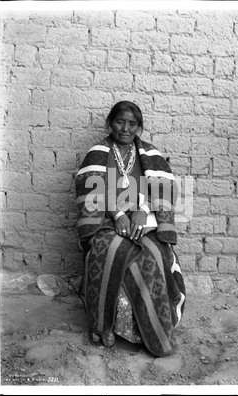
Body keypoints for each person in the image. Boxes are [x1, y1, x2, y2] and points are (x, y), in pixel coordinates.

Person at [75, 101, 186, 357]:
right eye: (120, 122)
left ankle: (153, 331)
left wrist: (143, 211)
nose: (125, 128)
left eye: (132, 123)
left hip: (142, 220)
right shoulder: (98, 154)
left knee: (154, 255)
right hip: (106, 221)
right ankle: (105, 326)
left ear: (139, 127)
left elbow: (161, 188)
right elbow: (92, 190)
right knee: (109, 251)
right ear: (110, 124)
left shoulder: (149, 154)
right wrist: (118, 215)